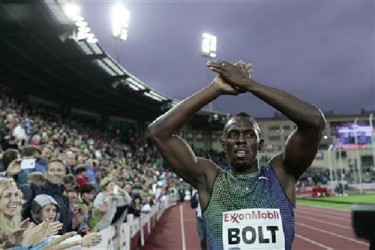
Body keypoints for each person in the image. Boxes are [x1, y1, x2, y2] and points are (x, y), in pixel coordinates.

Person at [149, 60, 326, 250]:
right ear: (224, 146)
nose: (241, 140)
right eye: (233, 134)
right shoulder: (210, 181)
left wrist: (250, 85)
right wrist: (215, 88)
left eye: (249, 135)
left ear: (260, 144)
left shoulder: (282, 175)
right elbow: (159, 132)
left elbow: (314, 121)